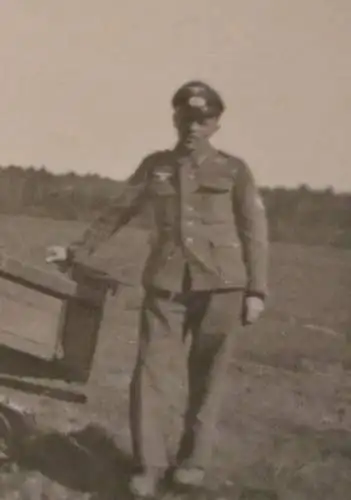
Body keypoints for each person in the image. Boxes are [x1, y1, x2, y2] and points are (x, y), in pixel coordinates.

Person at [47, 80, 269, 498]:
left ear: (216, 124)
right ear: (175, 118)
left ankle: (192, 464)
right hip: (167, 288)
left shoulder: (235, 170)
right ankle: (148, 467)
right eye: (185, 118)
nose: (192, 127)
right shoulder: (156, 166)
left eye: (202, 120)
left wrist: (256, 290)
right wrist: (75, 250)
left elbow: (254, 232)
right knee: (148, 374)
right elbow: (119, 211)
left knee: (207, 378)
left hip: (223, 288)